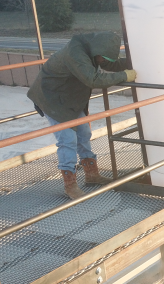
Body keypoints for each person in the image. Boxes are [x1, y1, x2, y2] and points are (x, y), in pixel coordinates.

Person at [27, 31, 136, 199]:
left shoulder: (92, 49)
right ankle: (70, 185)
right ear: (97, 50)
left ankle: (91, 175)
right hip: (52, 99)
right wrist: (124, 75)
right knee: (67, 139)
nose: (102, 61)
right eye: (103, 57)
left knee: (84, 132)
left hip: (70, 98)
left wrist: (134, 61)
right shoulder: (75, 53)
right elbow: (93, 79)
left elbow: (108, 64)